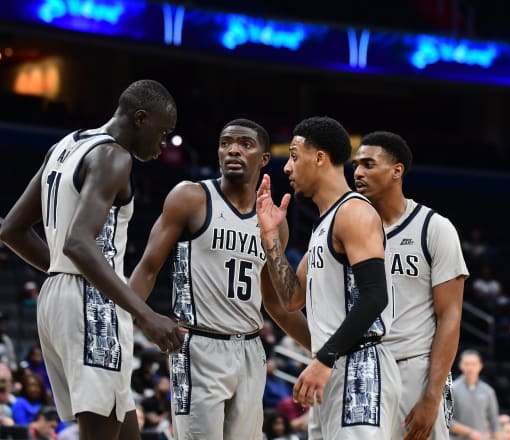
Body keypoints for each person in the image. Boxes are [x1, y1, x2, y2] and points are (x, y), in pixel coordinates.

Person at [0, 79, 186, 440]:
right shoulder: (114, 156)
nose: (164, 145)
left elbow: (11, 230)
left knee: (122, 424)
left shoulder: (65, 145)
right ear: (141, 119)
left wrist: (63, 272)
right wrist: (146, 315)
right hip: (92, 304)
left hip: (57, 294)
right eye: (163, 133)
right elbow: (80, 243)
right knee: (99, 430)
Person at [128, 118, 310, 439]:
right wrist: (132, 320)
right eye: (226, 143)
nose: (233, 150)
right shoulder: (191, 197)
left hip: (251, 350)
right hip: (198, 345)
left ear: (264, 159)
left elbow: (277, 304)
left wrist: (323, 351)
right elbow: (147, 268)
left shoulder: (273, 222)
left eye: (245, 144)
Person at [256, 116, 402, 439]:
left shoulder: (354, 212)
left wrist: (324, 358)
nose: (287, 168)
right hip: (333, 366)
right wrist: (271, 241)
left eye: (295, 156)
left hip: (360, 367)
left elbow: (375, 295)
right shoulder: (323, 225)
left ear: (319, 157)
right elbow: (292, 299)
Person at [352, 131, 468, 440]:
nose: (358, 172)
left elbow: (451, 316)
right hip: (362, 371)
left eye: (368, 164)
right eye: (356, 165)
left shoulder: (434, 228)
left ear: (396, 170)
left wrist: (431, 396)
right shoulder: (345, 230)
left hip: (413, 371)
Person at [450, 350, 500, 440]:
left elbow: (494, 423)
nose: (470, 368)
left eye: (473, 364)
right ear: (461, 365)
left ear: (480, 366)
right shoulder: (452, 389)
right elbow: (447, 420)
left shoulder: (488, 391)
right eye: (467, 364)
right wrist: (470, 432)